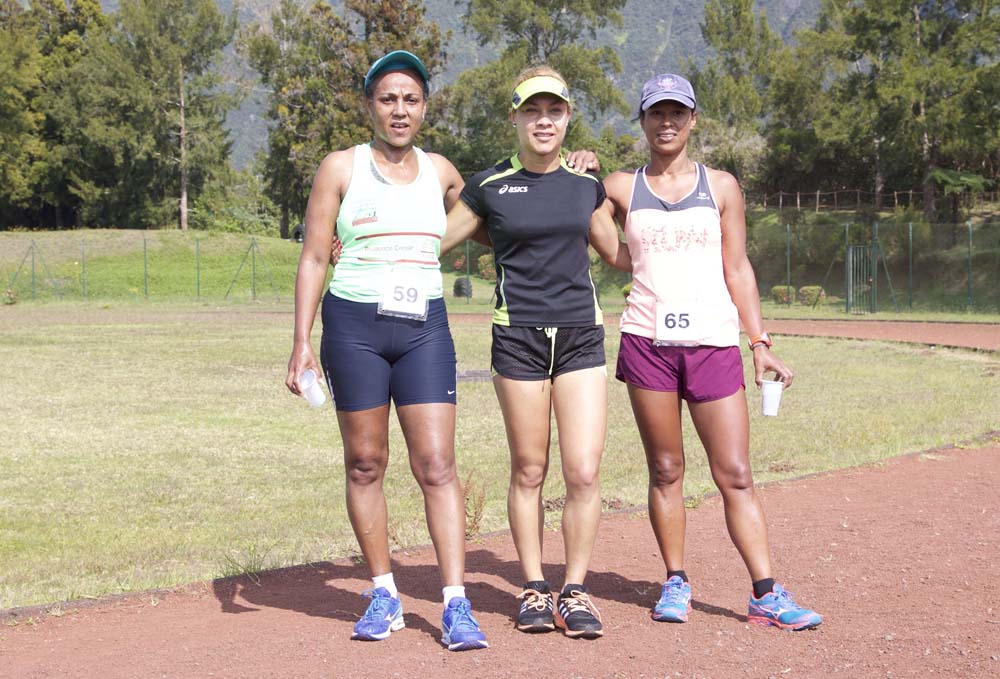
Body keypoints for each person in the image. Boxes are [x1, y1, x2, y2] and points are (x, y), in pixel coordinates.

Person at [590, 73, 823, 631]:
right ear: (642, 121)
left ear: (693, 120)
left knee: (735, 472)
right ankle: (675, 582)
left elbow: (736, 267)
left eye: (678, 112)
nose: (666, 122)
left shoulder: (720, 187)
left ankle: (765, 591)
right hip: (647, 341)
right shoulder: (621, 186)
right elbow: (615, 252)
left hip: (714, 342)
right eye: (656, 113)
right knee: (666, 468)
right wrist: (582, 174)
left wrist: (759, 341)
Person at [284, 50, 490, 651]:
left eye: (411, 98)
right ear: (370, 104)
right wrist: (301, 343)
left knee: (436, 465)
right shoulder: (340, 169)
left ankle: (455, 604)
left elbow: (485, 201)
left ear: (424, 106)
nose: (400, 109)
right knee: (365, 463)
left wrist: (573, 158)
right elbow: (315, 256)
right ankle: (383, 593)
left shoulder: (442, 172)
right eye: (388, 98)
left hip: (424, 328)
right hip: (353, 329)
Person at [441, 66, 609, 639]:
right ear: (514, 117)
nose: (544, 120)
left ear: (567, 118)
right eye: (532, 111)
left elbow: (621, 253)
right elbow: (432, 237)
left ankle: (576, 590)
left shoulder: (588, 185)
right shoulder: (489, 187)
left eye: (554, 110)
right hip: (518, 336)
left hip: (581, 333)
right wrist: (360, 242)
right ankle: (535, 587)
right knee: (530, 468)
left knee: (583, 470)